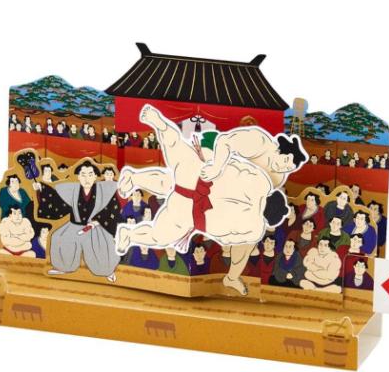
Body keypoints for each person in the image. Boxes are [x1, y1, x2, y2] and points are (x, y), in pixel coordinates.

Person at [115, 105, 293, 295]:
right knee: (160, 234)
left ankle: (143, 160)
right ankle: (129, 234)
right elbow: (225, 236)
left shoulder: (262, 182)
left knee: (175, 157)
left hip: (199, 180)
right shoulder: (255, 226)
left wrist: (214, 165)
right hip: (193, 212)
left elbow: (234, 166)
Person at [33, 160, 124, 282]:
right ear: (78, 177)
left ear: (96, 176)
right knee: (58, 237)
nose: (87, 179)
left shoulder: (104, 190)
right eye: (83, 175)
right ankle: (63, 267)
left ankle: (107, 271)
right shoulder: (72, 189)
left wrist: (97, 221)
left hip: (95, 226)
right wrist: (41, 189)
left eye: (90, 174)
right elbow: (56, 200)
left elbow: (113, 209)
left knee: (103, 245)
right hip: (74, 224)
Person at [199, 124, 308, 189]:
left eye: (288, 168)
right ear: (279, 150)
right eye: (285, 160)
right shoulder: (260, 143)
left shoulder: (278, 178)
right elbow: (224, 141)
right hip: (214, 150)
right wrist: (216, 167)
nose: (282, 168)